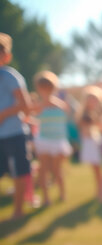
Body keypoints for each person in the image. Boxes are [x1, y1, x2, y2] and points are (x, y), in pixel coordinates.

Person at [0, 33, 32, 220]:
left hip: (14, 134)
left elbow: (25, 105)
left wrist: (3, 114)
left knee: (19, 173)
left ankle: (18, 211)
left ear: (6, 56)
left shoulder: (10, 76)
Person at [32, 71, 72, 205]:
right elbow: (32, 118)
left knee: (56, 169)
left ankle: (62, 194)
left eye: (47, 88)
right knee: (43, 170)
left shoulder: (61, 105)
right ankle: (46, 198)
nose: (45, 91)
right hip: (44, 140)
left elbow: (67, 112)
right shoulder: (38, 106)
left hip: (57, 141)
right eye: (42, 88)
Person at [77, 85, 102, 202]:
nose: (92, 101)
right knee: (98, 169)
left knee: (100, 169)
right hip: (91, 143)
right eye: (90, 99)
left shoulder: (95, 113)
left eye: (94, 99)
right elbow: (87, 129)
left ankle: (100, 191)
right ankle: (100, 192)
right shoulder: (86, 114)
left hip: (95, 142)